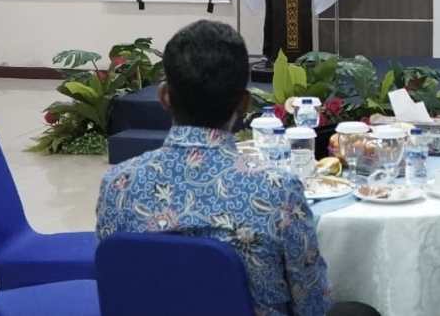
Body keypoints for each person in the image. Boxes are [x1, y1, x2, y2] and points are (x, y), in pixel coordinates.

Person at [96, 20, 378, 316]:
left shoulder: (118, 184)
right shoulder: (276, 190)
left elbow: (116, 284)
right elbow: (312, 305)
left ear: (164, 96)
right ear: (244, 104)